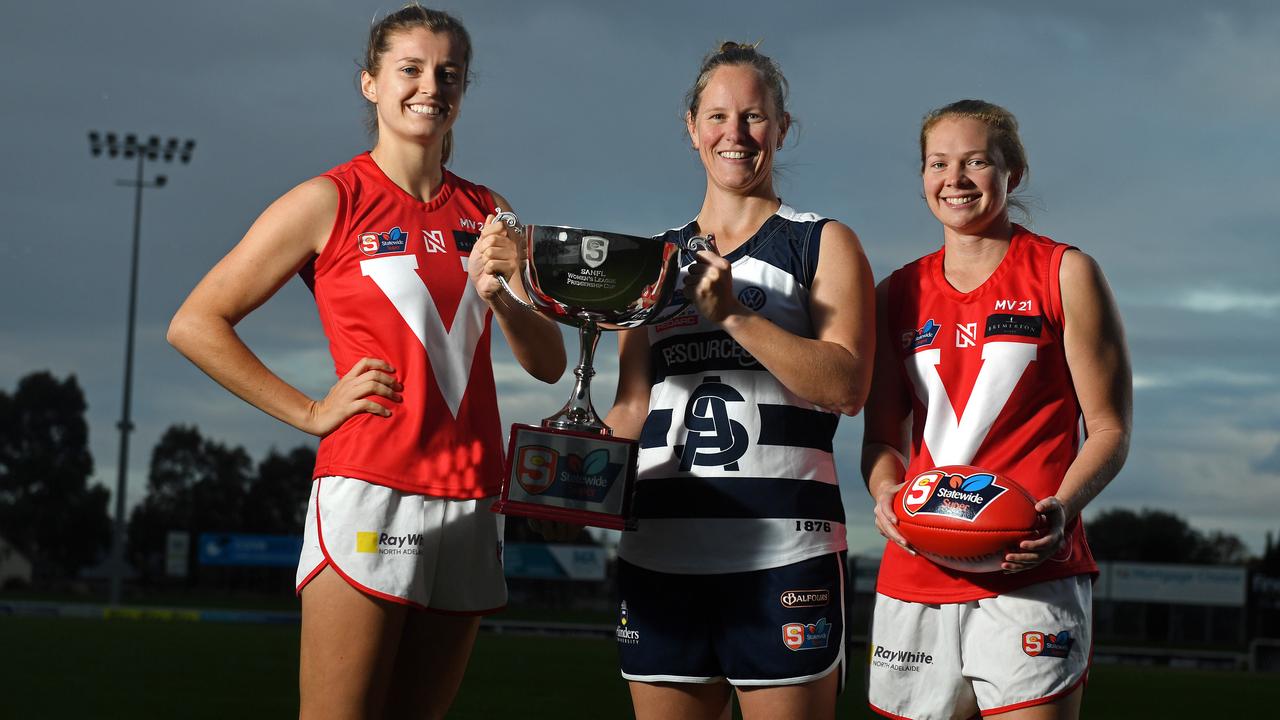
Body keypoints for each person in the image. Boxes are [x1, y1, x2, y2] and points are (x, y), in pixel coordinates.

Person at [166, 6, 565, 718]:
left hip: (474, 492)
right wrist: (310, 411)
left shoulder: (491, 211)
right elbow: (196, 323)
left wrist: (502, 296)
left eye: (447, 73)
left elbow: (546, 362)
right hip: (371, 489)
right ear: (371, 83)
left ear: (462, 90)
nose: (428, 86)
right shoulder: (329, 200)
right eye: (409, 69)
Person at [603, 42, 875, 720]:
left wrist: (734, 315)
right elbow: (633, 409)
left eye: (754, 117)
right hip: (659, 554)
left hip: (783, 557)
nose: (735, 134)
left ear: (782, 128)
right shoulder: (653, 262)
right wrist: (562, 470)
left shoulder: (820, 241)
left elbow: (845, 385)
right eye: (718, 116)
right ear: (691, 126)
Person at [862, 99, 1132, 720]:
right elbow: (882, 443)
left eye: (976, 161)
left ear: (1014, 171)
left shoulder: (1067, 273)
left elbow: (1111, 429)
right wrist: (885, 495)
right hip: (918, 568)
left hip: (1029, 567)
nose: (954, 180)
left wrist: (1060, 511)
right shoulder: (894, 294)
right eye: (938, 163)